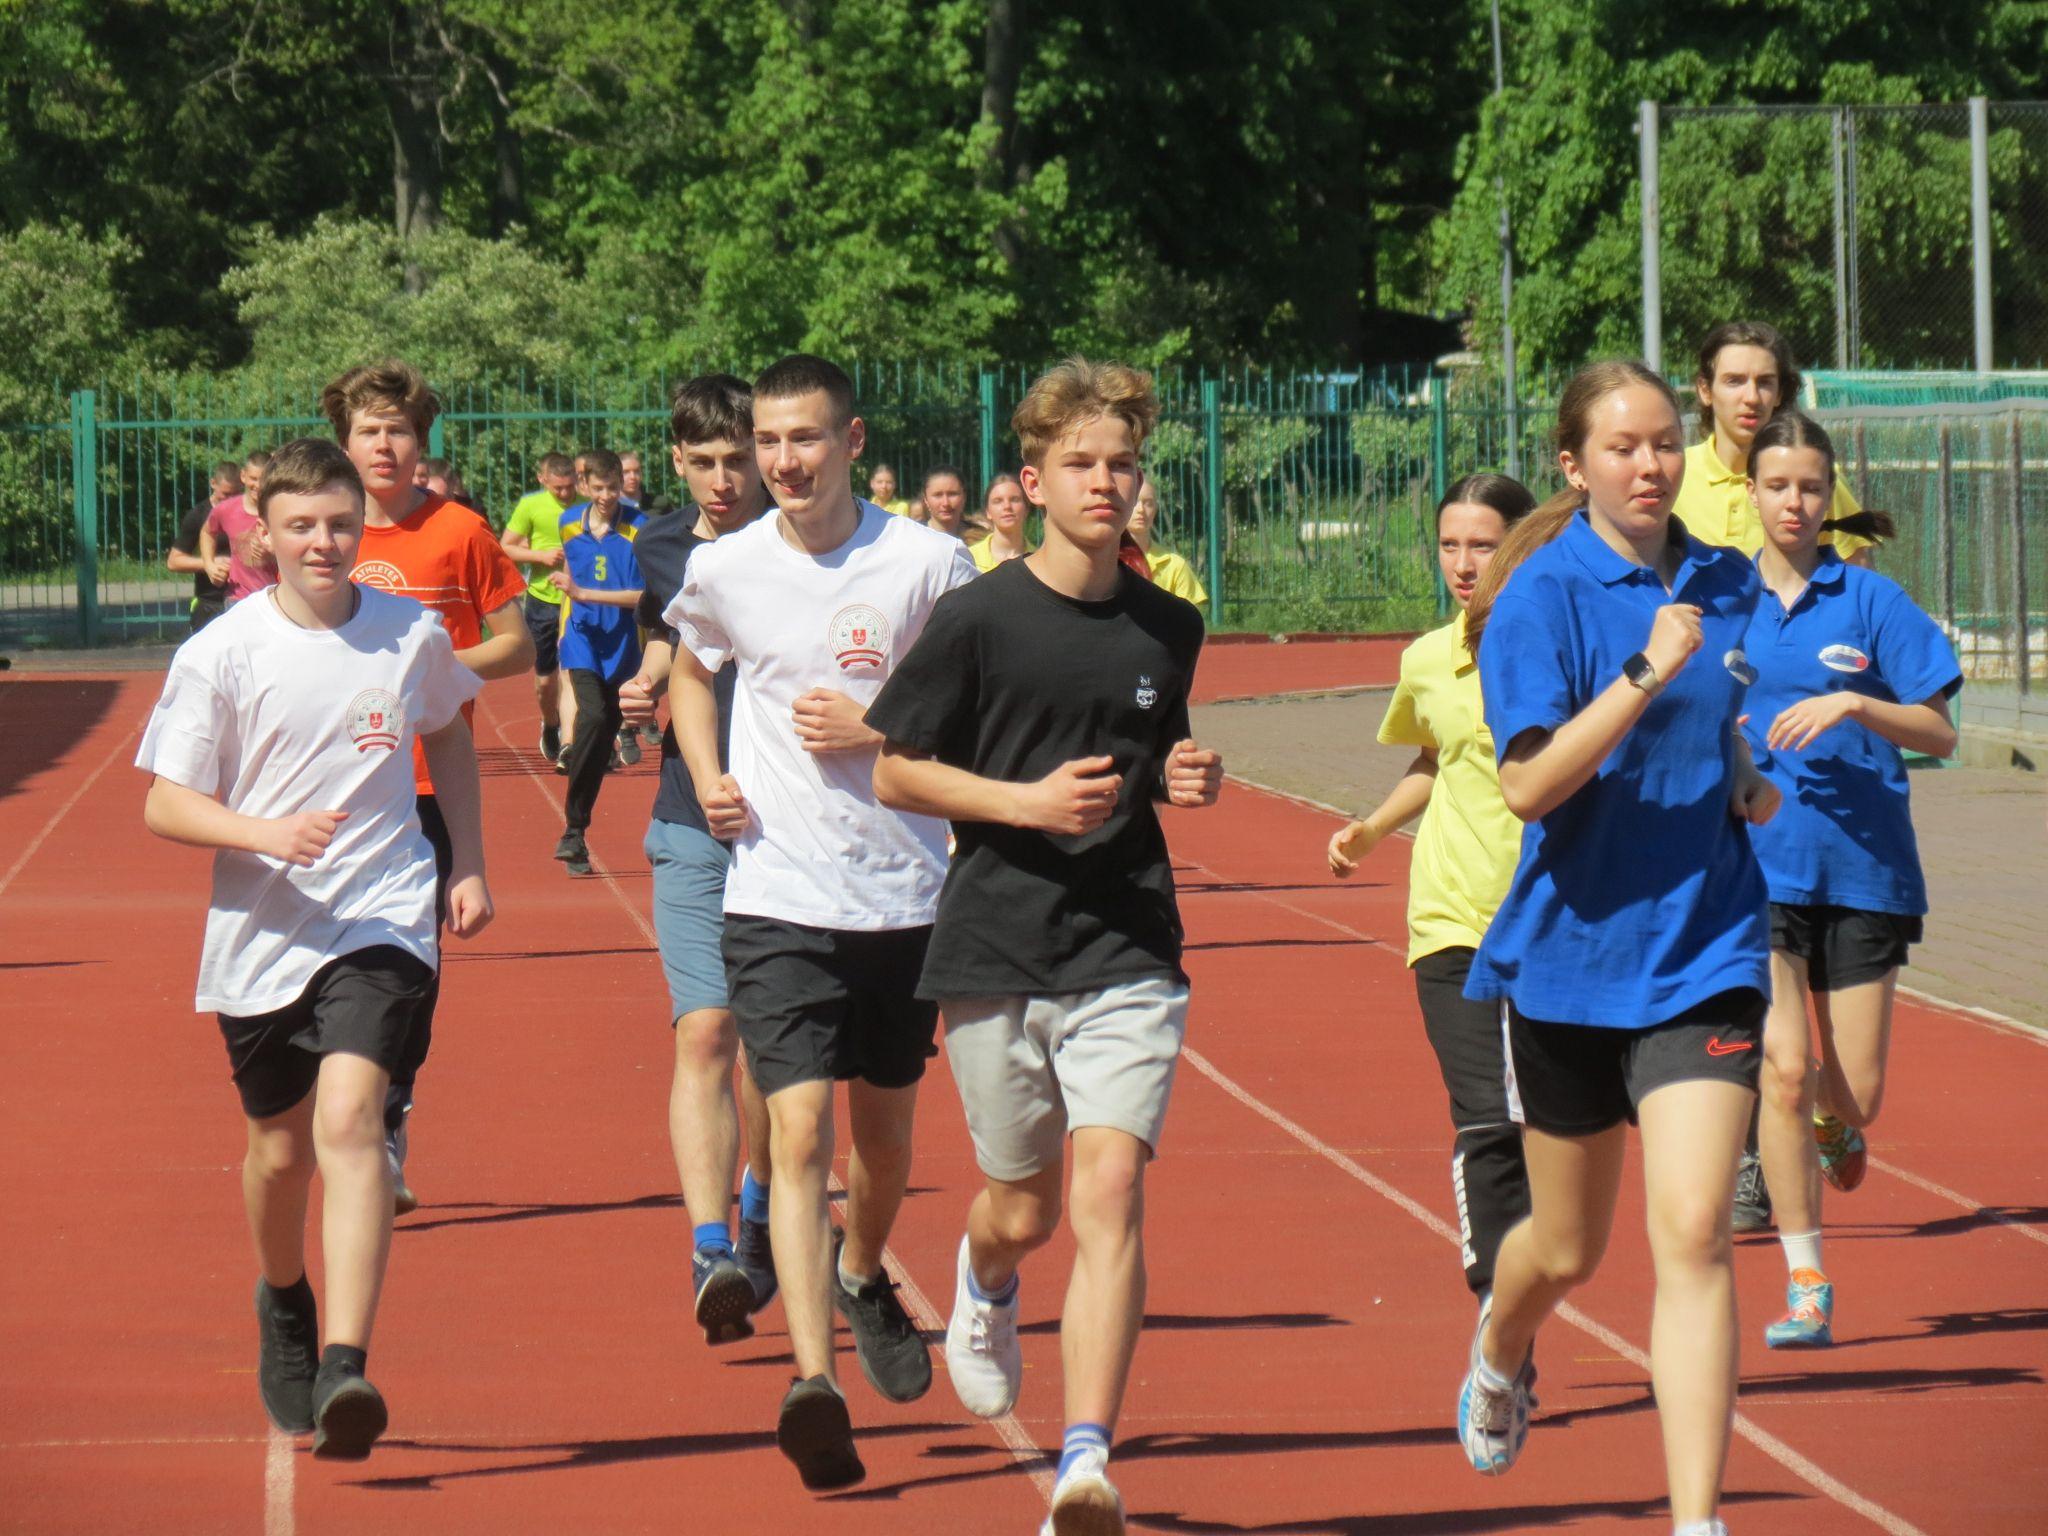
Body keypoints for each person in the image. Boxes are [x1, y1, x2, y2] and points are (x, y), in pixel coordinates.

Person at [868, 359, 1223, 1536]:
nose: (1104, 482)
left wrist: (1182, 774)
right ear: (1032, 479)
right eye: (1080, 463)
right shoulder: (975, 614)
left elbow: (1156, 751)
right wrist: (1022, 806)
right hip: (992, 943)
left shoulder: (1171, 624)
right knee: (1020, 1204)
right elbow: (894, 767)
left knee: (1110, 1188)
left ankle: (1083, 1462)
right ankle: (985, 1280)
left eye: (1121, 463)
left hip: (1126, 939)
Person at [1452, 361, 1780, 1536]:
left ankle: (1695, 1522)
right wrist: (1644, 671)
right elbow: (1530, 784)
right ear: (1573, 464)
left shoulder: (1727, 580)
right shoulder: (1540, 597)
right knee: (1566, 1248)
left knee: (1691, 1233)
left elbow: (1727, 717)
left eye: (1663, 443)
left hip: (1704, 951)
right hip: (1571, 963)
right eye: (1622, 446)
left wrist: (1741, 776)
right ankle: (1501, 1337)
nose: (1649, 464)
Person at [135, 437, 493, 1461]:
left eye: (339, 523)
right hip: (262, 927)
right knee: (278, 1152)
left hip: (382, 911)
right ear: (265, 529)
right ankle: (284, 1298)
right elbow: (164, 801)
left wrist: (464, 860)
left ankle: (345, 1361)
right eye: (302, 527)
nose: (324, 542)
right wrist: (263, 835)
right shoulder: (221, 652)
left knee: (352, 1116)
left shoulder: (407, 633)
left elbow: (453, 733)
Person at [666, 354, 976, 1491]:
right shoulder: (725, 567)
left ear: (850, 440)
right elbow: (693, 673)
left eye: (806, 439)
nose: (783, 461)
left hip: (902, 893)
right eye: (767, 443)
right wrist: (704, 772)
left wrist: (877, 733)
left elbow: (972, 702)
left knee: (881, 1140)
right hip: (774, 893)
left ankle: (858, 1270)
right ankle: (814, 1380)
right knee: (795, 1135)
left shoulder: (927, 562)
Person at [1740, 412, 1960, 1350]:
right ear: (1749, 491)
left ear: (1833, 498)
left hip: (1864, 870)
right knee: (1782, 1071)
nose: (1794, 502)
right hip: (1757, 872)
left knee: (1851, 1090)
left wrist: (1856, 704)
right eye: (1778, 485)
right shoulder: (1715, 598)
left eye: (1811, 488)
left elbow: (1942, 733)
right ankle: (1806, 1280)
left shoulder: (1869, 602)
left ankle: (1840, 1125)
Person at [322, 360, 531, 1215]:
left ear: (421, 444)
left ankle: (387, 1114)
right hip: (328, 788)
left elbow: (515, 644)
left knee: (408, 968)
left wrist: (427, 678)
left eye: (398, 430)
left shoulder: (460, 531)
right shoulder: (323, 532)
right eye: (369, 429)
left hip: (421, 788)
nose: (383, 444)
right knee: (326, 961)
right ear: (345, 441)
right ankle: (342, 1111)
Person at [1325, 472, 1537, 1309]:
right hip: (1452, 916)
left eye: (1482, 543)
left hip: (1555, 920)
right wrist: (1372, 829)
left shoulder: (1571, 648)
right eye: (1449, 544)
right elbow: (1433, 757)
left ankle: (1531, 1272)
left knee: (1550, 1132)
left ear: (1524, 542)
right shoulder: (1426, 658)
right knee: (1485, 1117)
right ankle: (1497, 1305)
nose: (1462, 562)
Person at [618, 374, 779, 1347]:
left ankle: (761, 1204)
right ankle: (711, 1247)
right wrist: (642, 684)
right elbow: (660, 640)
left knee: (773, 1055)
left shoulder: (800, 545)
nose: (723, 479)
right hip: (688, 819)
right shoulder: (657, 545)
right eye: (704, 462)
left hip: (785, 831)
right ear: (677, 459)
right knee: (704, 1032)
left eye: (738, 459)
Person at [1679, 321, 1873, 567]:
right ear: (1705, 390)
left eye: (1764, 382)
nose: (1751, 397)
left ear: (1780, 393)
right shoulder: (1675, 474)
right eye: (1734, 381)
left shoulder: (1816, 477)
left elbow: (1857, 583)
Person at [552, 449, 644, 876]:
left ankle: (577, 830)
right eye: (599, 488)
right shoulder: (569, 522)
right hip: (583, 638)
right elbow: (571, 579)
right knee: (591, 717)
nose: (607, 496)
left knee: (602, 726)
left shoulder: (639, 528)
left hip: (623, 643)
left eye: (614, 487)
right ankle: (573, 829)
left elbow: (641, 596)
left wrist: (588, 594)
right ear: (585, 485)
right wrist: (569, 609)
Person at [503, 452, 580, 766]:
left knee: (575, 675)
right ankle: (551, 724)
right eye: (557, 488)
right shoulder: (531, 506)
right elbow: (505, 546)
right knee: (546, 682)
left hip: (578, 602)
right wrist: (540, 556)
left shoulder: (586, 505)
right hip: (542, 601)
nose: (564, 494)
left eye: (569, 487)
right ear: (542, 480)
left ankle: (571, 740)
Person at [167, 461, 240, 633]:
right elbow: (174, 562)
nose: (230, 500)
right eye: (226, 494)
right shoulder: (198, 515)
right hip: (209, 602)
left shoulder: (247, 511)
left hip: (242, 599)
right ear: (213, 483)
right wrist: (210, 563)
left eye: (236, 494)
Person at [199, 451, 276, 605]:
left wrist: (272, 553)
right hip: (237, 598)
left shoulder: (280, 510)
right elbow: (207, 532)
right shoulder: (226, 509)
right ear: (243, 476)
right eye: (254, 479)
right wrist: (209, 565)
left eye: (264, 479)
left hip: (273, 598)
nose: (258, 485)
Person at [1125, 481, 1207, 605]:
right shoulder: (1105, 562)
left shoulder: (1175, 565)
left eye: (1148, 503)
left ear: (1156, 509)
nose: (1141, 509)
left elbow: (1190, 620)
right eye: (1134, 501)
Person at [969, 473, 1032, 571]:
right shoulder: (970, 559)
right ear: (988, 512)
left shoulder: (1041, 559)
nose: (1007, 506)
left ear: (1026, 509)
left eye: (1014, 500)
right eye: (998, 501)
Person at [921, 465, 971, 539]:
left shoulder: (981, 539)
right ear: (926, 499)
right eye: (938, 495)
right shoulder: (914, 538)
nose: (946, 503)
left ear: (964, 497)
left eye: (952, 494)